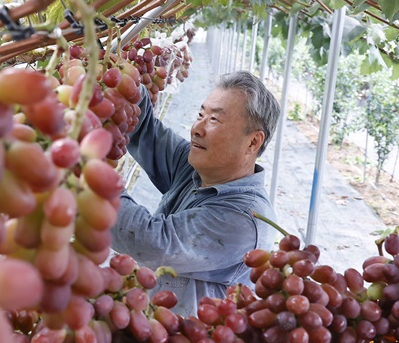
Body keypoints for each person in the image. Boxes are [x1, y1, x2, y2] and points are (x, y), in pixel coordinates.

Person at [110, 70, 281, 317]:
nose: (197, 129)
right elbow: (146, 132)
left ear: (253, 142)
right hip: (150, 324)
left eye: (214, 120)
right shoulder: (196, 168)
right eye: (200, 115)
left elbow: (151, 242)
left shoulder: (245, 218)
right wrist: (123, 76)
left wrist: (90, 173)